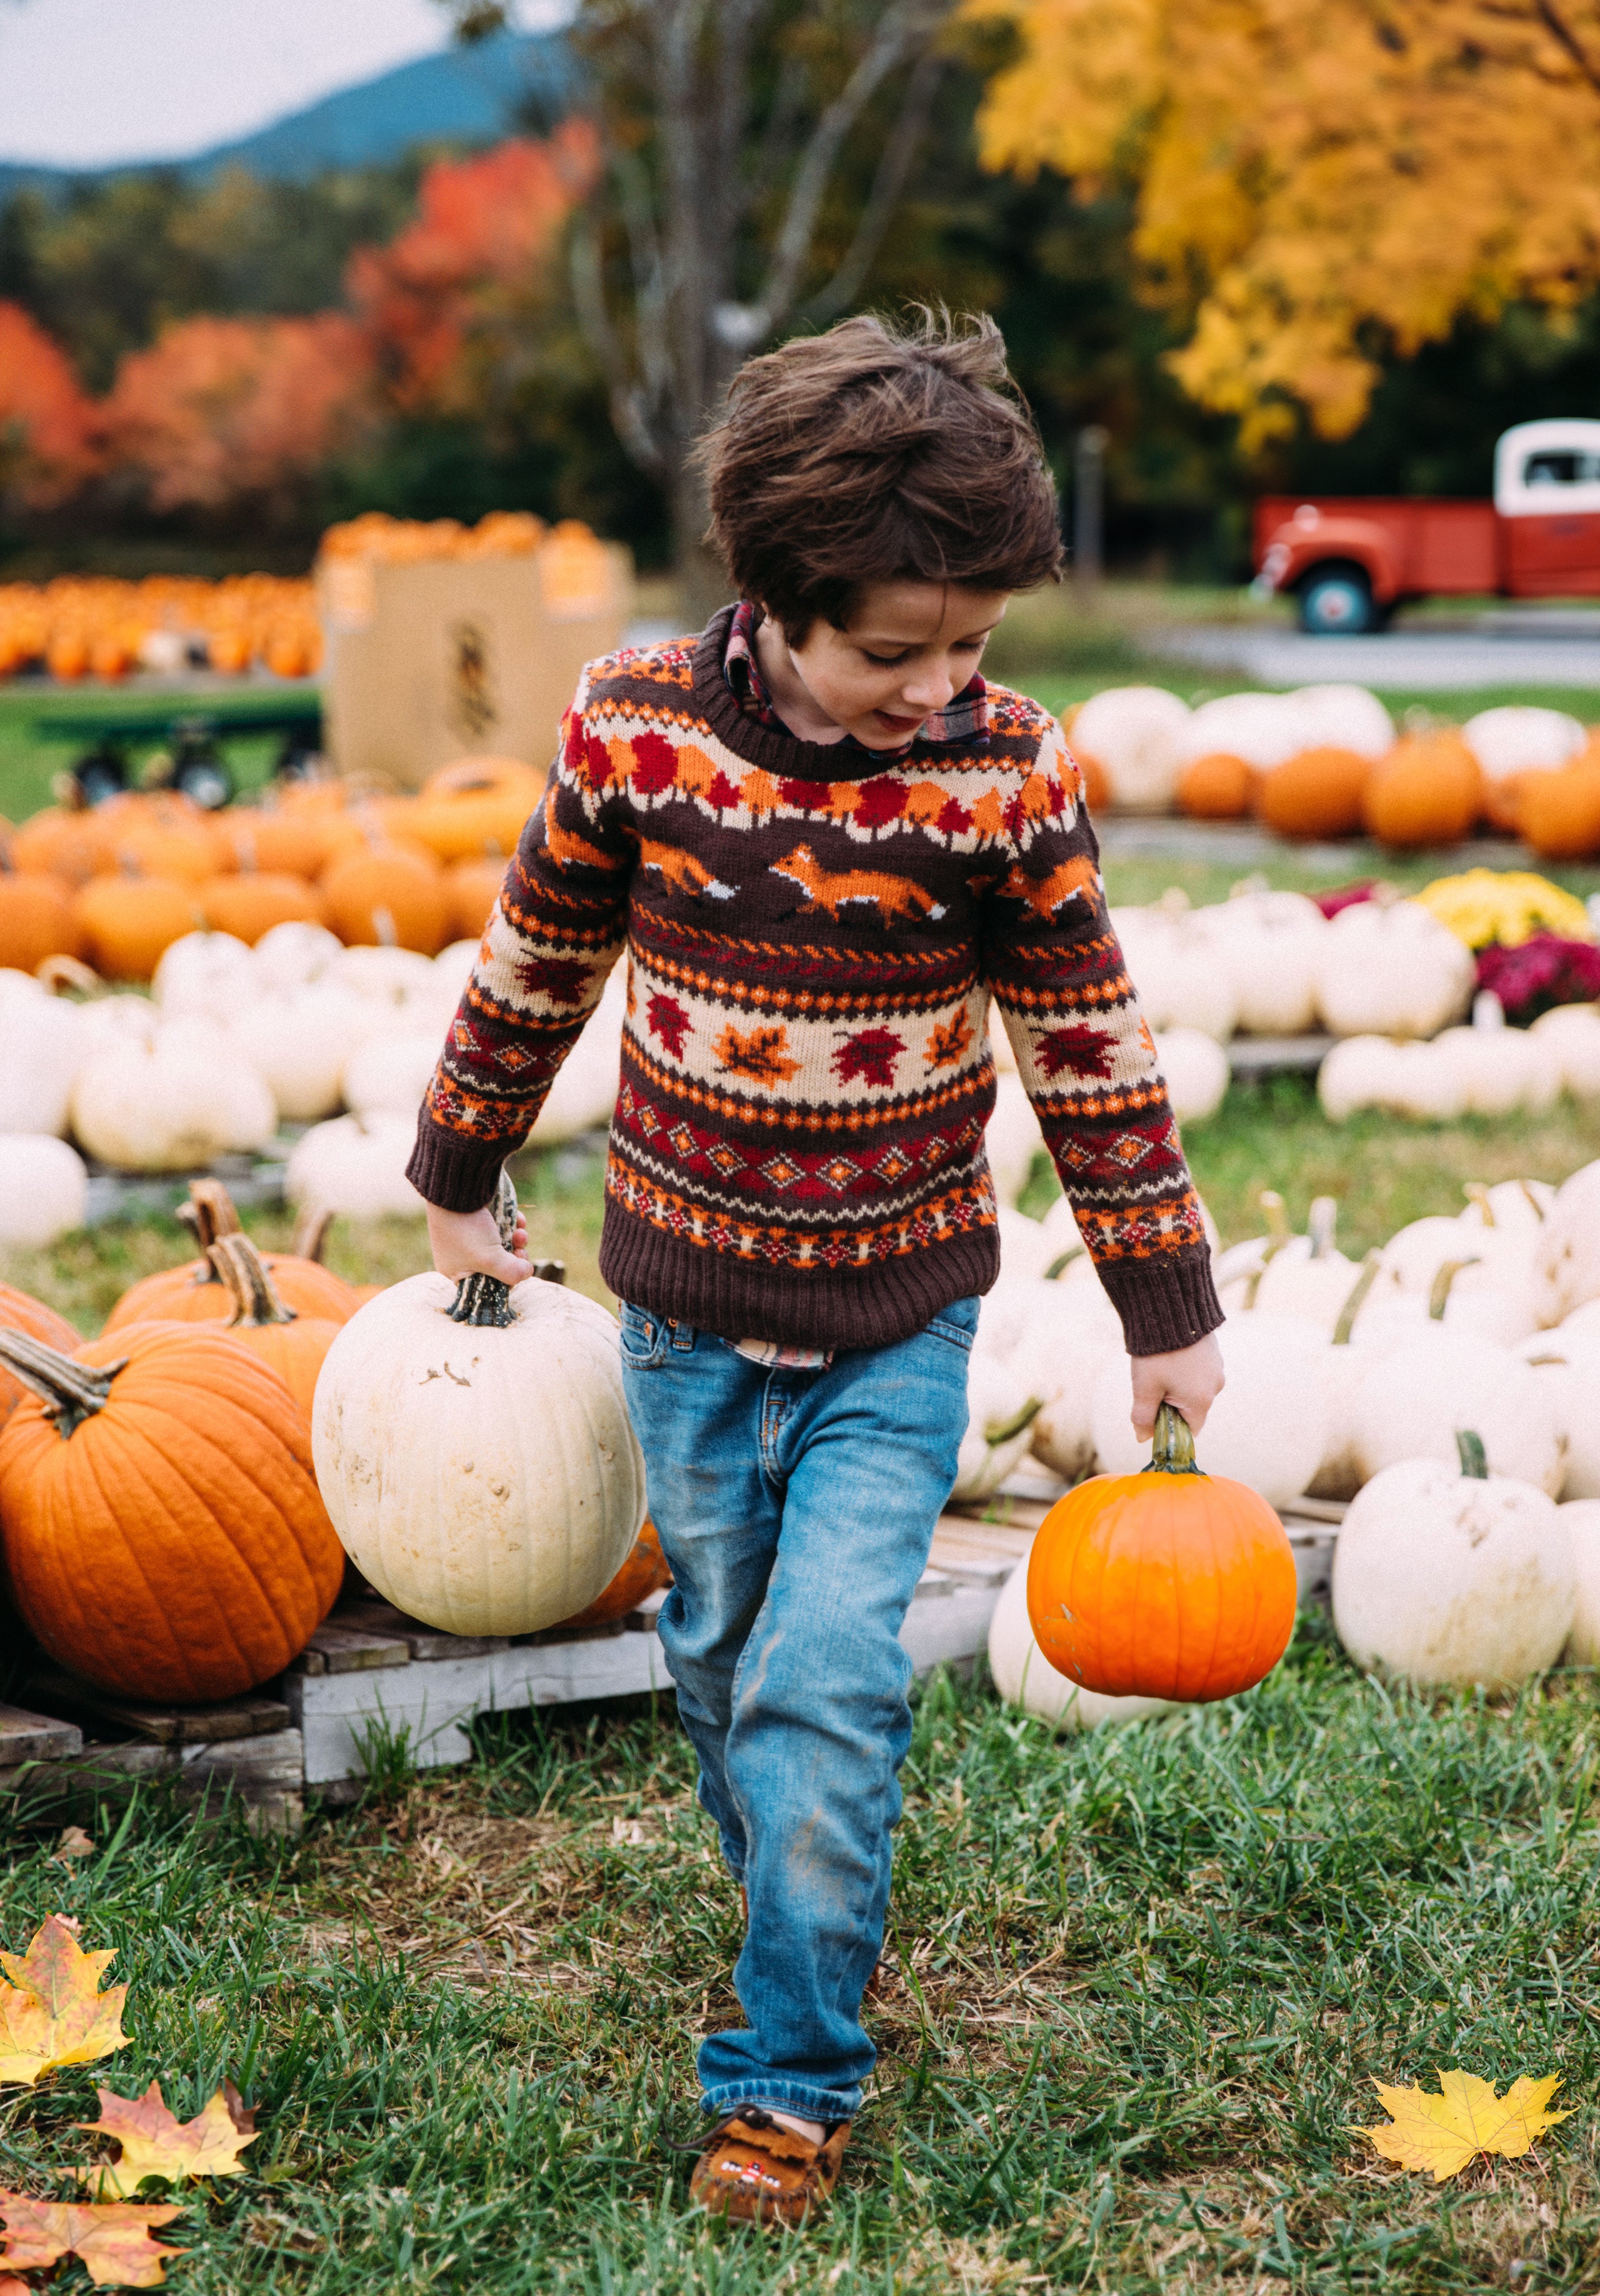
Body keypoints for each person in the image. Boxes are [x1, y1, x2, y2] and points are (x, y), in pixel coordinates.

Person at [408, 308, 1224, 2230]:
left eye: (971, 645)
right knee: (718, 1655)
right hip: (683, 1305)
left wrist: (1164, 1299)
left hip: (897, 1314)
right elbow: (538, 954)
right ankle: (802, 1896)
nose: (939, 687)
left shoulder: (1002, 773)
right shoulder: (634, 726)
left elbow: (1087, 1041)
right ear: (770, 599)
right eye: (892, 649)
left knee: (829, 1677)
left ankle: (787, 2075)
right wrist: (456, 1159)